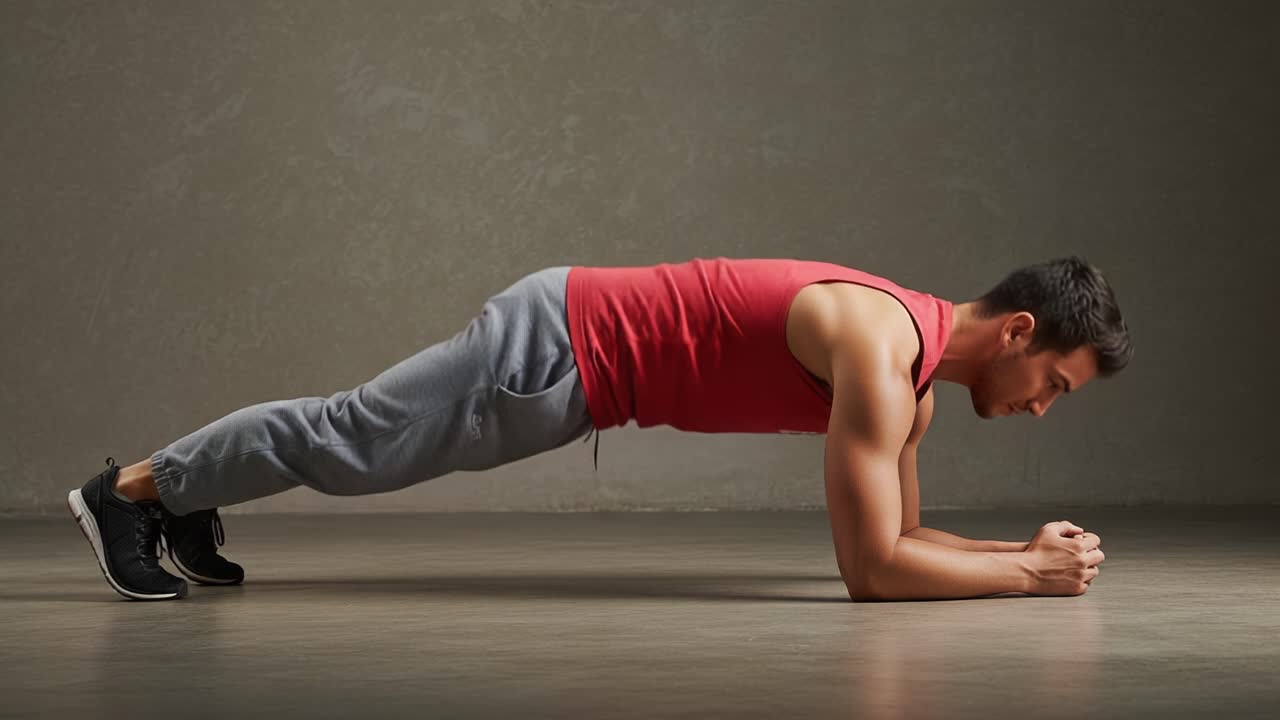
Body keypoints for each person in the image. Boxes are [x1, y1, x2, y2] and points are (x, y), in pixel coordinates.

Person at [68, 256, 1130, 601]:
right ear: (1019, 331)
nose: (1042, 406)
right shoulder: (873, 345)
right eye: (1054, 384)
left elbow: (910, 540)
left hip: (575, 363)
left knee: (352, 446)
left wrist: (1016, 555)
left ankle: (184, 494)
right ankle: (127, 496)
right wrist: (1027, 578)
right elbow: (869, 570)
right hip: (556, 349)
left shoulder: (911, 380)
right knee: (354, 442)